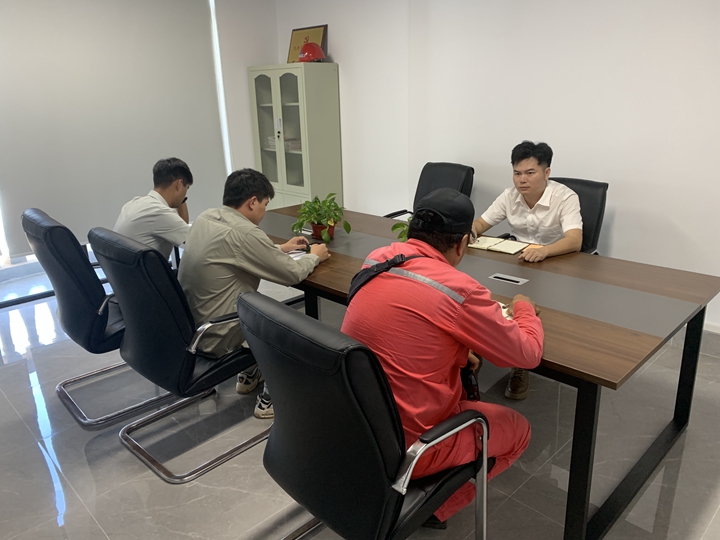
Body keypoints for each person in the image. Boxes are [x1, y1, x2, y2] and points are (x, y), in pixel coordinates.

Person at [341, 188, 543, 529]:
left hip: (354, 423)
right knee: (518, 431)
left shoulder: (376, 259)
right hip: (410, 446)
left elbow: (404, 327)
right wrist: (523, 307)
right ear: (462, 243)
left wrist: (458, 350)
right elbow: (527, 353)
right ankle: (430, 511)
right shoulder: (460, 289)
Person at [178, 168, 329, 419]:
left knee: (258, 307)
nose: (264, 211)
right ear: (252, 202)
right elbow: (291, 273)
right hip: (219, 335)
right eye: (265, 205)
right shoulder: (245, 233)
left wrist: (280, 248)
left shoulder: (206, 217)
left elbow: (235, 250)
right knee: (286, 322)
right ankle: (273, 396)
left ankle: (249, 374)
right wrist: (314, 256)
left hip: (194, 327)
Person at [472, 141, 581, 400]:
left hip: (556, 264)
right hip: (519, 260)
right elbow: (481, 223)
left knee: (525, 304)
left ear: (546, 172)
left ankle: (520, 365)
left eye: (530, 173)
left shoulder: (565, 197)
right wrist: (471, 231)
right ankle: (476, 350)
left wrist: (544, 250)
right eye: (517, 173)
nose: (522, 180)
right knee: (485, 296)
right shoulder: (509, 196)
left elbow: (575, 240)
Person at [114, 157, 193, 260]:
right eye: (186, 188)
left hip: (126, 269)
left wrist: (180, 199)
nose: (185, 194)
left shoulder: (134, 203)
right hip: (147, 270)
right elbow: (195, 241)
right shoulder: (159, 212)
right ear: (179, 184)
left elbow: (181, 228)